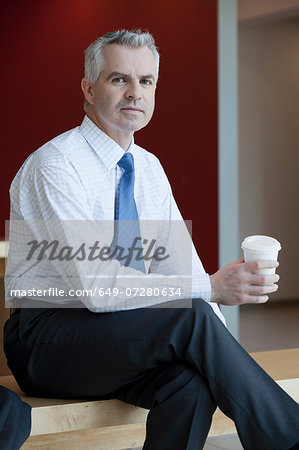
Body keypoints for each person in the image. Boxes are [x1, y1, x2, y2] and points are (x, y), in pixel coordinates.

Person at [3, 29, 299, 450]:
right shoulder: (56, 165)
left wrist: (218, 354)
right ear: (89, 88)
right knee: (191, 311)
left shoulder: (149, 168)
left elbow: (182, 269)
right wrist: (213, 287)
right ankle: (288, 437)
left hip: (119, 335)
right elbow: (97, 288)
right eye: (118, 79)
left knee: (189, 382)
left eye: (146, 82)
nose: (134, 93)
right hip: (46, 341)